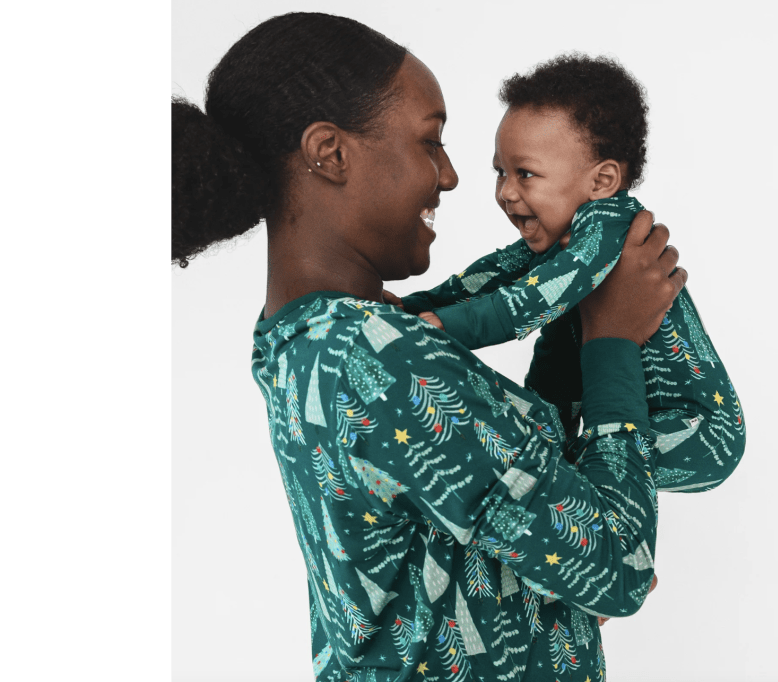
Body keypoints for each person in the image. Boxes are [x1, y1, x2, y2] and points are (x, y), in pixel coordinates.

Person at [172, 13, 683, 682]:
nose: (449, 177)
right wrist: (613, 340)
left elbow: (509, 514)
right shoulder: (380, 357)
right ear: (330, 152)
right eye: (430, 141)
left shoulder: (304, 335)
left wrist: (570, 315)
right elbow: (618, 572)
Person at [403, 54, 745, 491]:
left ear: (601, 182)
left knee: (573, 467)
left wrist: (447, 327)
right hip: (614, 396)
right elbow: (495, 273)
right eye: (500, 173)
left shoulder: (609, 225)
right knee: (544, 429)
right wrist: (415, 306)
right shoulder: (561, 233)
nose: (506, 192)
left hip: (698, 431)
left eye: (525, 174)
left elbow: (533, 298)